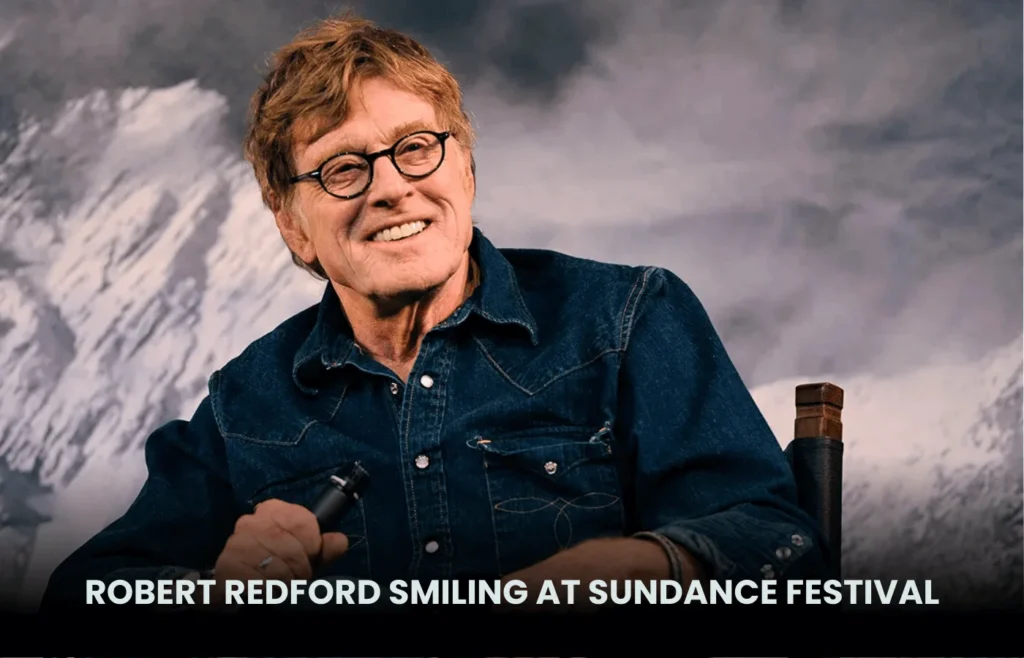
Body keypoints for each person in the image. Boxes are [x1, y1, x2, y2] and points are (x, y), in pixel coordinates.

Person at [40, 11, 827, 611]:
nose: (392, 186)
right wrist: (210, 591)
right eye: (342, 168)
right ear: (292, 226)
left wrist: (640, 567)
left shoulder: (625, 320)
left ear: (467, 169)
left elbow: (784, 547)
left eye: (416, 147)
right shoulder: (246, 403)